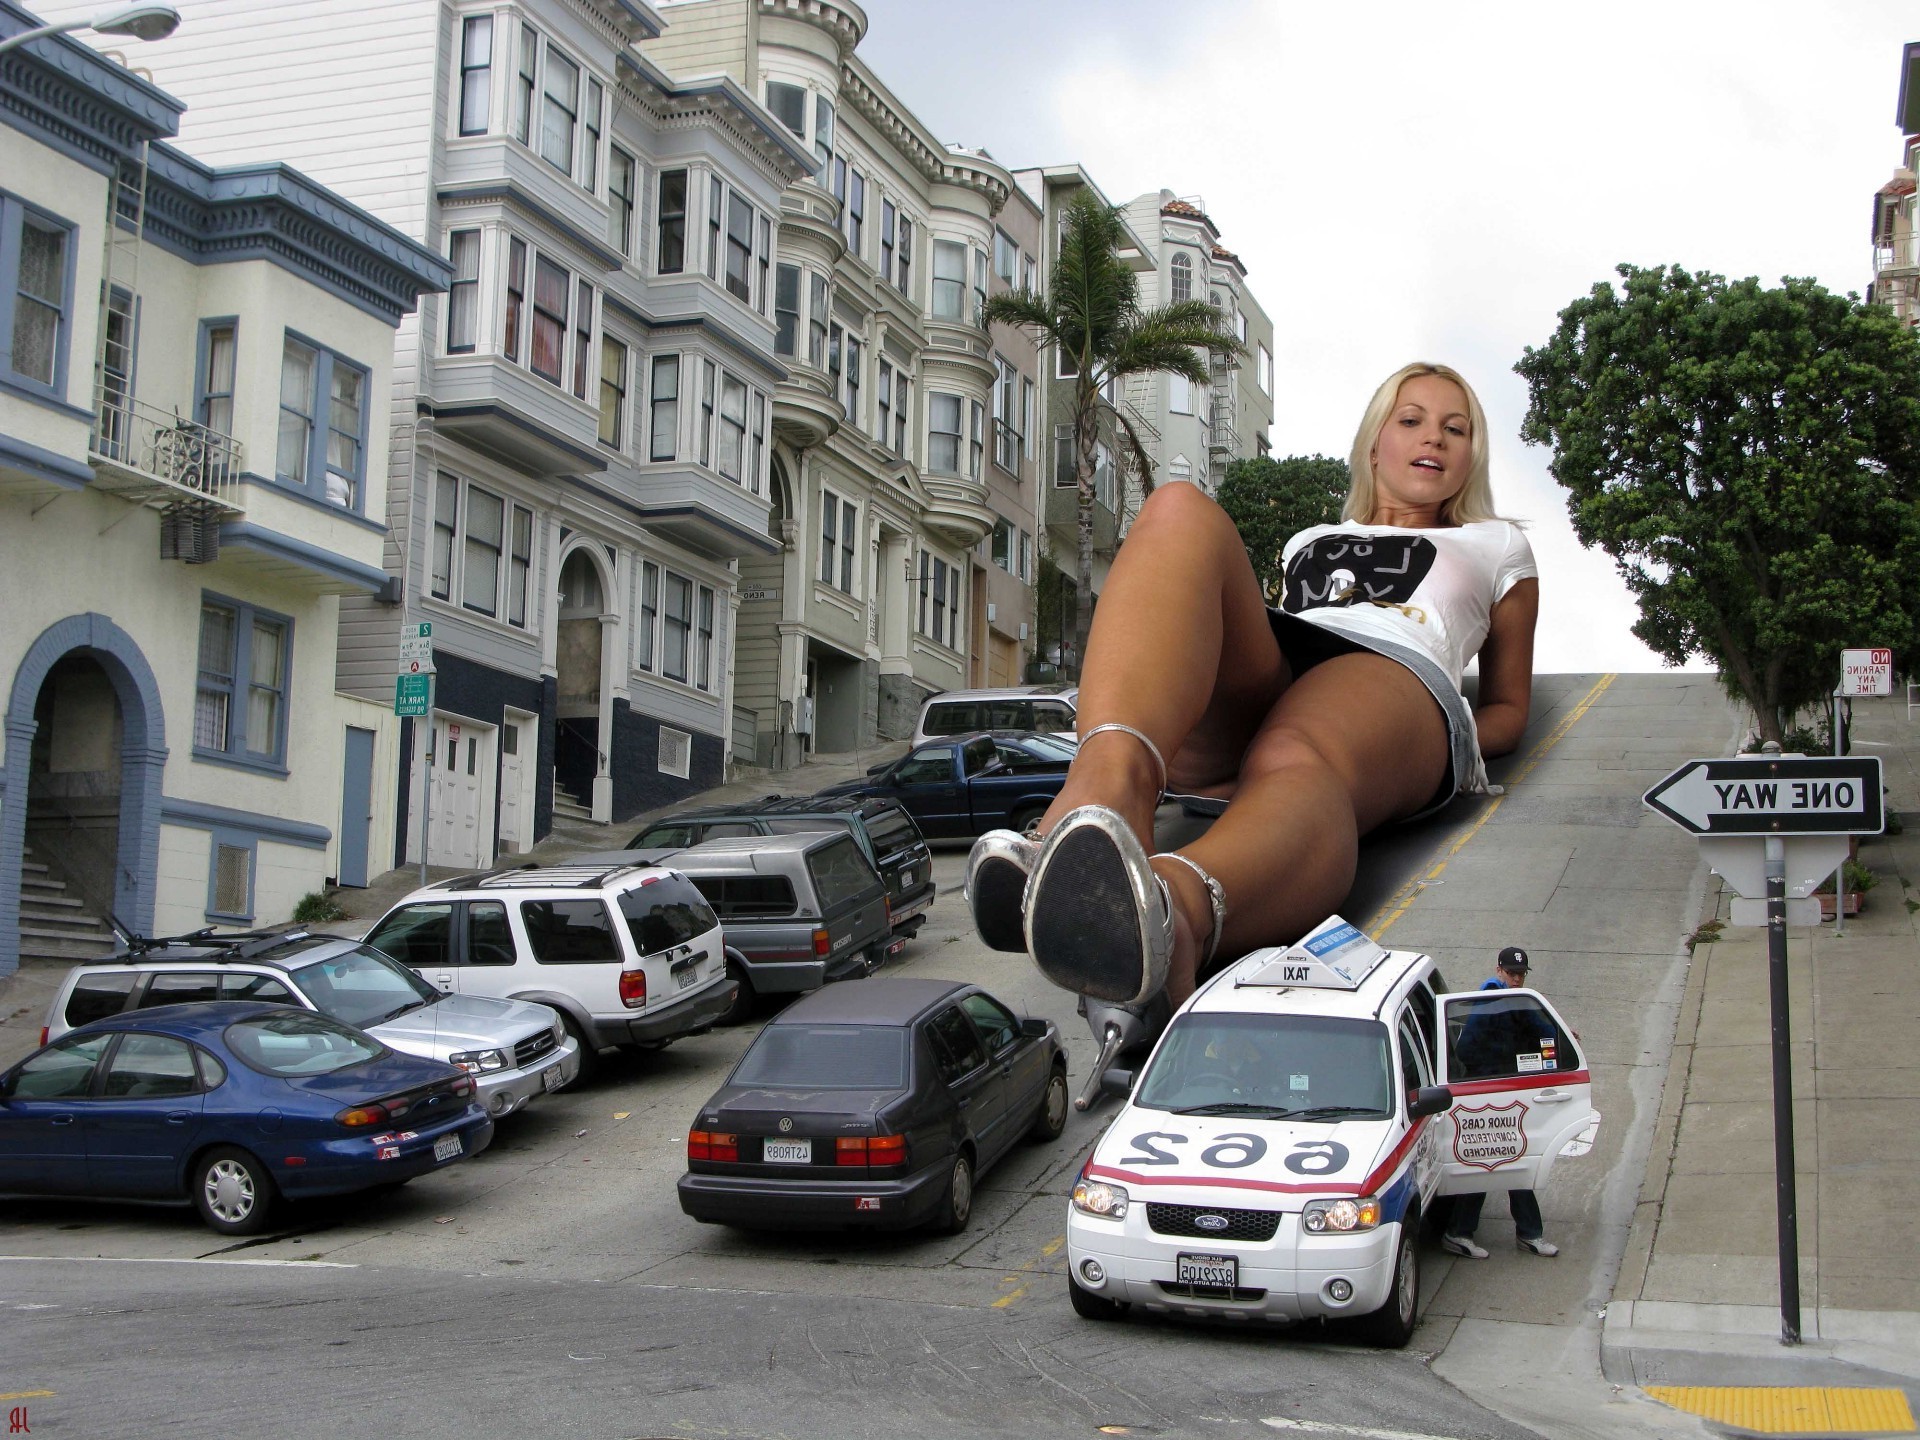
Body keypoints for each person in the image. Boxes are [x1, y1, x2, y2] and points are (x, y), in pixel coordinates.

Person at [966, 362, 1539, 1008]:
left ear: (1472, 456)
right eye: (1412, 420)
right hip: (1290, 658)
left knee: (1295, 746)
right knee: (1178, 507)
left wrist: (1443, 743)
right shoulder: (1310, 541)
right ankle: (1096, 806)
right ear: (1375, 444)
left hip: (1395, 670)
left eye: (1455, 429)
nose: (1434, 437)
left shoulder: (1497, 545)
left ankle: (1171, 912)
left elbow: (1509, 706)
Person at [1442, 946, 1560, 1259]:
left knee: (1503, 1162)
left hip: (1501, 1098)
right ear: (1499, 971)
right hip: (1487, 1099)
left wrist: (1559, 1036)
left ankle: (1476, 1231)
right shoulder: (1490, 1001)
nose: (1516, 979)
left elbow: (1537, 1029)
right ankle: (1472, 1232)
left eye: (1520, 974)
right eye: (1511, 973)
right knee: (1496, 1162)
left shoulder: (1513, 1000)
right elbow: (1467, 1051)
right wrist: (1499, 1073)